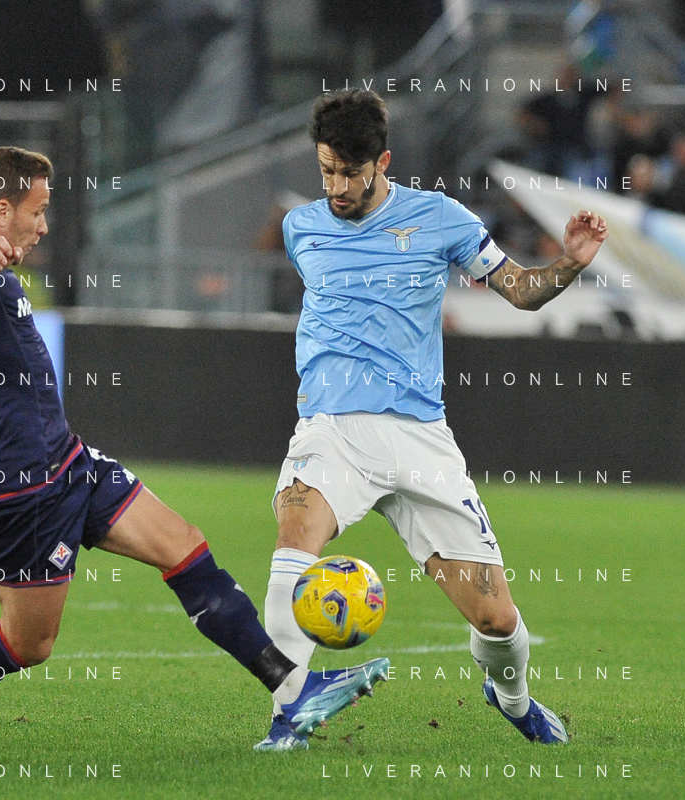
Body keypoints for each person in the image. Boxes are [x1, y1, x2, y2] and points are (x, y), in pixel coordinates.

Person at [0, 146, 388, 747]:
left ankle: (292, 692)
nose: (44, 226)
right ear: (1, 211)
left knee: (185, 549)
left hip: (66, 459)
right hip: (22, 480)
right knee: (26, 645)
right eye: (38, 211)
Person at [254, 90, 609, 751]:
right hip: (331, 429)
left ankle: (512, 698)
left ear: (382, 162)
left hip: (419, 438)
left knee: (497, 620)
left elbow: (519, 291)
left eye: (350, 173)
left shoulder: (440, 218)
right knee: (293, 540)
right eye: (326, 170)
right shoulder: (302, 227)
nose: (336, 187)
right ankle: (288, 716)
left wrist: (569, 263)